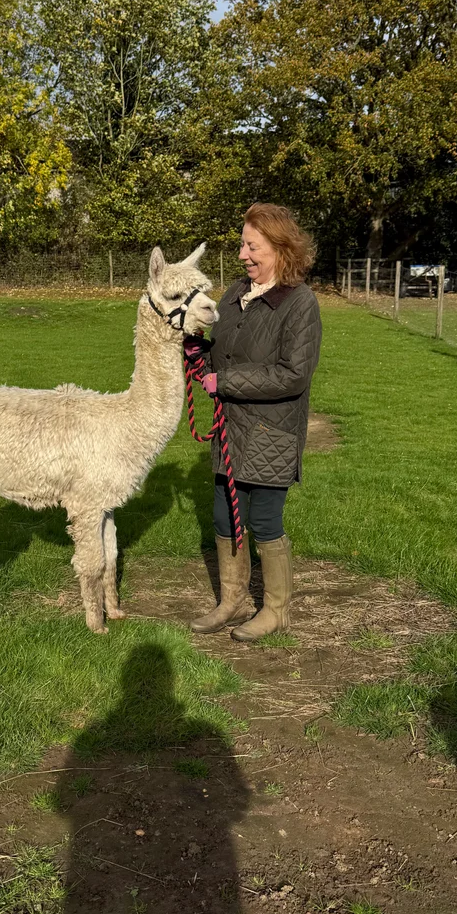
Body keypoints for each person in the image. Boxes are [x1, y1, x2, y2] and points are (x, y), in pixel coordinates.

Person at [188, 203, 322, 641]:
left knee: (264, 521)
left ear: (281, 249)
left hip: (271, 430)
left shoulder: (299, 303)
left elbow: (292, 373)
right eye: (243, 244)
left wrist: (222, 380)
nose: (243, 254)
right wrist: (198, 353)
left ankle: (276, 610)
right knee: (225, 517)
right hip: (231, 427)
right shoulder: (233, 294)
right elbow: (222, 354)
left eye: (252, 246)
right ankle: (233, 600)